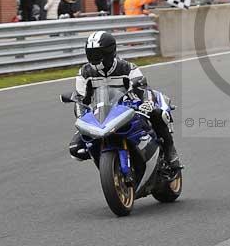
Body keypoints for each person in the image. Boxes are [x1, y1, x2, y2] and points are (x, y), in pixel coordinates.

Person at [68, 31, 181, 168]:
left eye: (97, 54)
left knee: (158, 114)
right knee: (75, 149)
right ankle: (105, 162)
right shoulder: (84, 73)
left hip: (128, 108)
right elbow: (80, 100)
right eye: (90, 54)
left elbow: (143, 88)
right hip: (101, 114)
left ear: (109, 52)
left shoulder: (127, 68)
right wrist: (82, 118)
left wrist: (147, 103)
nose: (93, 58)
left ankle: (170, 151)